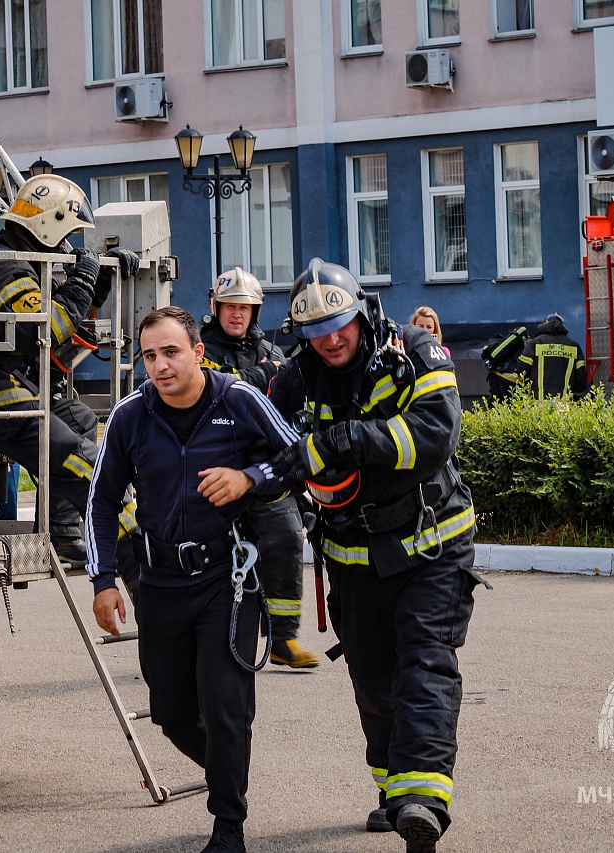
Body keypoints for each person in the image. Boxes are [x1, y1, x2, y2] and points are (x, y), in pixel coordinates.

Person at [266, 259, 485, 853]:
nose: (331, 340)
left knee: (425, 665)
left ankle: (425, 801)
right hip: (350, 555)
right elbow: (270, 458)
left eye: (340, 325)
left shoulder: (416, 352)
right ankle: (396, 794)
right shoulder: (291, 381)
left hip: (431, 545)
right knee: (373, 680)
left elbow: (436, 436)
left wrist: (339, 442)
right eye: (316, 331)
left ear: (362, 313)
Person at [87, 307, 300, 853]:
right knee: (172, 712)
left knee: (225, 702)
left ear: (198, 353)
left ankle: (228, 825)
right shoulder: (130, 417)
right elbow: (101, 500)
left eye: (171, 352)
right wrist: (104, 580)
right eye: (150, 355)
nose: (160, 365)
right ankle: (231, 764)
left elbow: (297, 456)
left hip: (227, 581)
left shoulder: (239, 400)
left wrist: (247, 477)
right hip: (159, 583)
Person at [0, 174, 138, 565]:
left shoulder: (15, 262)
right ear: (46, 225)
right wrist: (84, 278)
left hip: (5, 386)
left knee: (79, 421)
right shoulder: (3, 267)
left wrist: (100, 282)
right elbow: (41, 329)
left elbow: (65, 328)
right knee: (82, 458)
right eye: (64, 235)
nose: (66, 246)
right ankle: (134, 547)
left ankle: (62, 534)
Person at [199, 267, 320, 669]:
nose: (237, 314)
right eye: (230, 306)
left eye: (245, 308)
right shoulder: (199, 348)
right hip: (214, 466)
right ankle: (205, 637)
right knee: (211, 557)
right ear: (215, 308)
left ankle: (284, 638)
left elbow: (289, 392)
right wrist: (260, 375)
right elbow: (215, 388)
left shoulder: (274, 350)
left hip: (264, 467)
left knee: (287, 536)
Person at [515, 313, 588, 400]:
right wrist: (577, 399)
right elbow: (580, 380)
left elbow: (522, 372)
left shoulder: (535, 343)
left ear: (544, 325)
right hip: (564, 407)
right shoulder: (574, 346)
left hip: (538, 407)